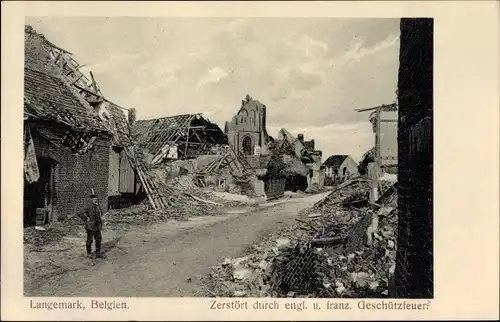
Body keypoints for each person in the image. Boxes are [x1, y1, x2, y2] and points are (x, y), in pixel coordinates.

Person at [78, 189, 104, 258]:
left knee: (98, 239)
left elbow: (101, 213)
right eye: (94, 198)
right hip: (90, 226)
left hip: (97, 225)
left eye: (96, 198)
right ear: (91, 199)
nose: (96, 200)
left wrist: (99, 208)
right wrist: (86, 218)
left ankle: (98, 253)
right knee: (90, 240)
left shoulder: (98, 206)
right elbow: (80, 213)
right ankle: (89, 253)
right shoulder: (88, 206)